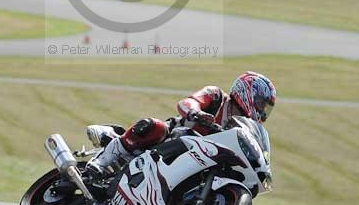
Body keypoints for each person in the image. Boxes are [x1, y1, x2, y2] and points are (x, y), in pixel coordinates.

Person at [85, 71, 276, 179]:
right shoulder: (216, 96)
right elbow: (187, 102)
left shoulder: (243, 128)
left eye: (265, 108)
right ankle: (102, 161)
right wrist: (196, 112)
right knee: (155, 126)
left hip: (200, 161)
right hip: (172, 139)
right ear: (247, 93)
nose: (261, 111)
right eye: (261, 104)